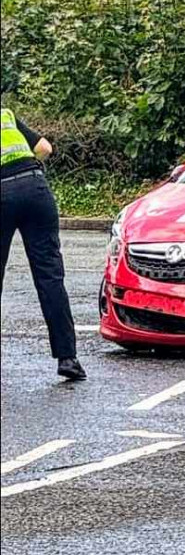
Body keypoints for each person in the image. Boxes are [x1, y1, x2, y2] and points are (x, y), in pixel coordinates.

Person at [1, 107, 86, 381]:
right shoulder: (6, 115)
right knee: (50, 277)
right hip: (36, 189)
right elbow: (45, 148)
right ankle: (68, 358)